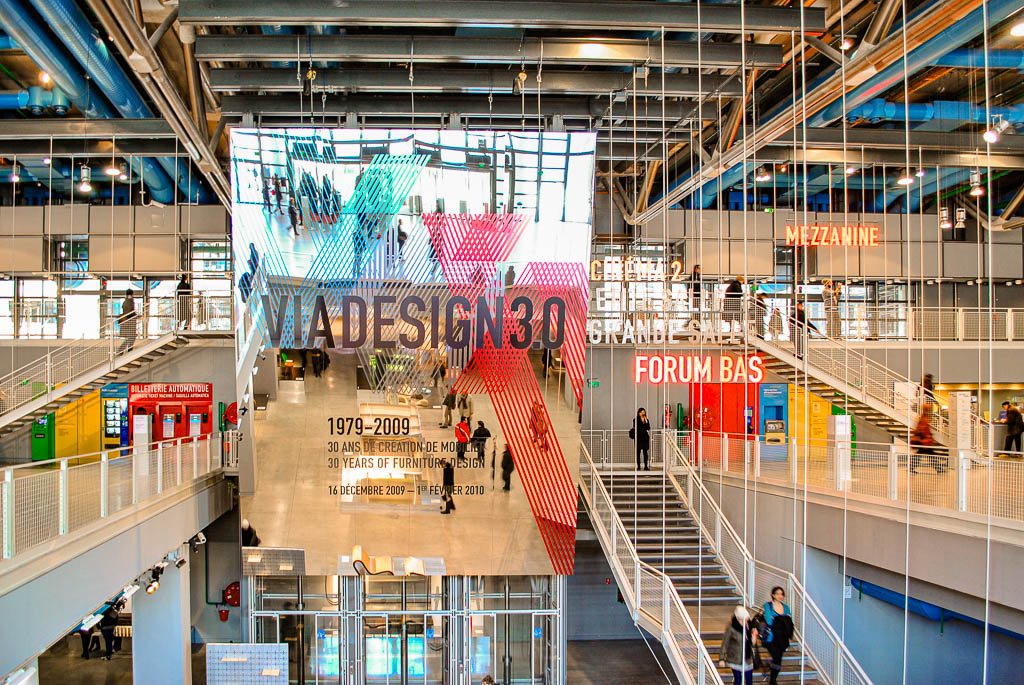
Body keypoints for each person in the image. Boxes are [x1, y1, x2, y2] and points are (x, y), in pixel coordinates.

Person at [762, 587, 793, 685]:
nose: (780, 596)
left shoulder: (786, 607)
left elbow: (789, 622)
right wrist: (783, 619)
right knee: (776, 658)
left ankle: (773, 677)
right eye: (778, 594)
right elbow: (769, 621)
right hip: (771, 638)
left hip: (782, 638)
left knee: (778, 660)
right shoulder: (768, 606)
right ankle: (773, 680)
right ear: (773, 595)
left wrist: (777, 619)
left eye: (781, 594)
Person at [719, 606, 758, 685]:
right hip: (735, 658)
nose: (744, 622)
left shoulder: (749, 627)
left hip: (747, 658)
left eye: (746, 620)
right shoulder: (731, 628)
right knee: (738, 680)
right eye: (741, 619)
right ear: (737, 618)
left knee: (749, 681)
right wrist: (721, 658)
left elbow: (752, 644)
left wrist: (754, 638)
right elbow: (725, 643)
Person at [910, 402, 945, 473]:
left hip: (925, 441)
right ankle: (939, 469)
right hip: (925, 442)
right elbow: (922, 430)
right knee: (931, 455)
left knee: (921, 455)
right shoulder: (924, 418)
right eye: (929, 409)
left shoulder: (923, 417)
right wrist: (926, 438)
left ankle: (912, 467)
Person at [116, 290, 137, 354]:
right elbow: (130, 310)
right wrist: (134, 315)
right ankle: (126, 349)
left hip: (126, 320)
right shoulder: (130, 300)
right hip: (129, 320)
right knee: (132, 336)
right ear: (132, 293)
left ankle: (123, 349)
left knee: (130, 336)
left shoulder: (125, 301)